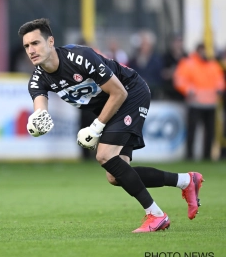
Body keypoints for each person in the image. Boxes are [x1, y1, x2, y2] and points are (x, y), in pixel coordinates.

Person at [18, 18, 204, 233]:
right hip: (112, 106)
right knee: (115, 176)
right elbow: (40, 106)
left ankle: (156, 215)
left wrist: (96, 127)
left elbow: (119, 92)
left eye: (35, 43)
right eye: (26, 46)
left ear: (50, 42)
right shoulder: (37, 78)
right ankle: (186, 181)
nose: (31, 50)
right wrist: (38, 117)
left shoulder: (80, 57)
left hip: (130, 93)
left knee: (104, 155)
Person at [173, 43, 225, 160]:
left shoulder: (213, 65)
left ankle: (207, 156)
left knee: (210, 132)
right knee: (192, 131)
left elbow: (220, 81)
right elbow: (180, 80)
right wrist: (189, 90)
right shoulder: (188, 63)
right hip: (195, 103)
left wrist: (219, 90)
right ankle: (189, 155)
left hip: (211, 104)